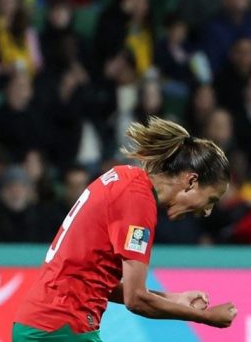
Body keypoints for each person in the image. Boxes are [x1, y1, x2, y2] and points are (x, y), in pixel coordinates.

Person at [13, 117, 237, 341]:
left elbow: (98, 282)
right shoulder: (138, 202)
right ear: (191, 181)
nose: (207, 211)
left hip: (44, 323)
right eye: (211, 199)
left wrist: (173, 299)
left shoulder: (125, 178)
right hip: (60, 327)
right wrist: (206, 317)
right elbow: (136, 299)